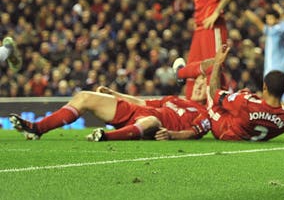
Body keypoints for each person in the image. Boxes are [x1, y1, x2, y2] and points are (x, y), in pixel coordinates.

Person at [172, 45, 284, 143]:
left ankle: (181, 73)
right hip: (243, 127)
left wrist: (218, 62)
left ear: (265, 86)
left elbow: (213, 93)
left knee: (213, 67)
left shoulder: (246, 102)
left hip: (221, 127)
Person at [9, 74, 212, 142]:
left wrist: (172, 136)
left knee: (151, 121)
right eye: (198, 82)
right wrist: (114, 93)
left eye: (203, 84)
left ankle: (106, 136)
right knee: (84, 97)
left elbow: (195, 133)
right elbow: (141, 102)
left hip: (155, 126)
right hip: (135, 112)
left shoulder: (204, 114)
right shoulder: (173, 99)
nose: (198, 86)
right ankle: (37, 129)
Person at [179, 0, 239, 100]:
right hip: (200, 28)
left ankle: (221, 111)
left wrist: (215, 12)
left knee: (215, 68)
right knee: (193, 70)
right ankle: (193, 112)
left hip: (214, 27)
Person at [244, 3, 284, 109]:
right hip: (273, 67)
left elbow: (257, 22)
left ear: (277, 19)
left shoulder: (277, 29)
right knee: (273, 93)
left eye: (270, 19)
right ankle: (283, 114)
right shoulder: (278, 28)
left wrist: (247, 11)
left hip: (278, 67)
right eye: (267, 19)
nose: (268, 21)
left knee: (277, 91)